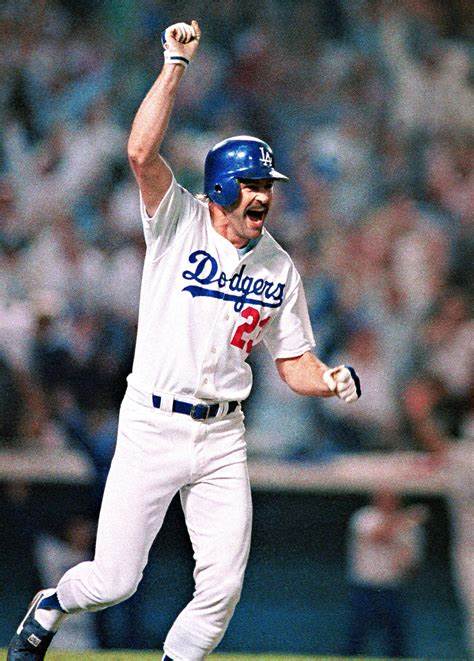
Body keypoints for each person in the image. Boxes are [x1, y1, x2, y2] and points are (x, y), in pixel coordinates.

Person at [8, 21, 361, 661]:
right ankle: (52, 604)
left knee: (221, 590)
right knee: (114, 581)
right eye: (255, 186)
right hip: (153, 421)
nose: (265, 197)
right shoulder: (180, 220)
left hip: (223, 434)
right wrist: (174, 64)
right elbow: (140, 153)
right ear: (223, 187)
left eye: (269, 187)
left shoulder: (279, 265)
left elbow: (294, 362)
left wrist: (329, 378)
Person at [345, 489, 427, 658]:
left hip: (392, 588)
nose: (388, 501)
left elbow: (412, 563)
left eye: (392, 497)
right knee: (356, 635)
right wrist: (405, 520)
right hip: (364, 586)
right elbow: (378, 535)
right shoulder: (365, 517)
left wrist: (405, 560)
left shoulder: (411, 527)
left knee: (396, 638)